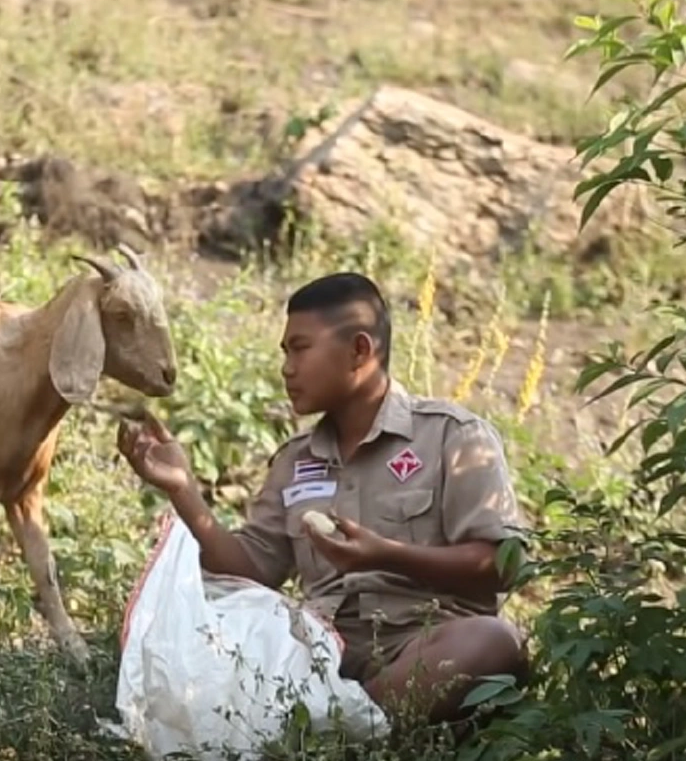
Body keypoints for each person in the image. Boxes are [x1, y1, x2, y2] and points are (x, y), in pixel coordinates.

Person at [116, 271, 530, 726]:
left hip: (424, 647)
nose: (286, 368)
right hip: (318, 654)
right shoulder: (295, 460)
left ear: (359, 351)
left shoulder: (453, 437)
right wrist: (183, 489)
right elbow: (253, 570)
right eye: (284, 352)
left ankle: (328, 733)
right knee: (188, 635)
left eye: (300, 348)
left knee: (492, 643)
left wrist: (385, 555)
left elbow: (502, 565)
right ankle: (343, 722)